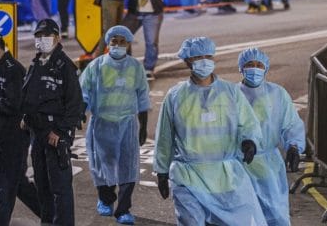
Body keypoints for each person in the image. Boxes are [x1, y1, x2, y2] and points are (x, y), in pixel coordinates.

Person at [153, 37, 266, 225]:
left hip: (225, 174)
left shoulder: (230, 92)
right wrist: (162, 171)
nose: (204, 61)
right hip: (189, 175)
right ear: (187, 61)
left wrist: (250, 141)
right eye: (198, 56)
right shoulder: (175, 96)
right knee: (192, 221)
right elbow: (164, 137)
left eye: (208, 56)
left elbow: (248, 123)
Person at [79, 26, 150, 225]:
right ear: (108, 43)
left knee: (129, 166)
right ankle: (106, 198)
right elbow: (84, 91)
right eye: (114, 41)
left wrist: (143, 125)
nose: (117, 45)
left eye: (122, 41)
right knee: (102, 165)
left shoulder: (135, 67)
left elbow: (142, 95)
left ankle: (123, 209)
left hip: (127, 123)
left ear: (128, 44)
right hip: (102, 123)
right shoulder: (96, 66)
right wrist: (80, 114)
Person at [22, 19, 84, 226]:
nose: (41, 41)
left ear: (57, 38)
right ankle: (47, 221)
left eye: (46, 36)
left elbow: (75, 105)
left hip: (55, 135)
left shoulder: (65, 66)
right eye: (38, 36)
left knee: (60, 187)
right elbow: (29, 94)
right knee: (42, 183)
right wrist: (25, 118)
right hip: (37, 132)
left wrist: (60, 130)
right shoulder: (36, 63)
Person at [237, 48, 305, 226]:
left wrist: (294, 146)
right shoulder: (231, 95)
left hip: (269, 166)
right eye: (249, 65)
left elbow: (290, 123)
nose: (254, 69)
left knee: (275, 214)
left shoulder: (277, 94)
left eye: (259, 65)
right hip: (240, 165)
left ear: (266, 68)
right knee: (244, 215)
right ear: (241, 68)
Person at [0, 29, 39, 225]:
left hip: (15, 135)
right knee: (18, 183)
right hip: (3, 136)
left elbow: (14, 103)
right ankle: (51, 215)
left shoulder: (13, 70)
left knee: (6, 183)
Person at [122, 0, 169, 80]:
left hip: (153, 13)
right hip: (134, 13)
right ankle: (126, 66)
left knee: (151, 42)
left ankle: (149, 68)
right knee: (122, 36)